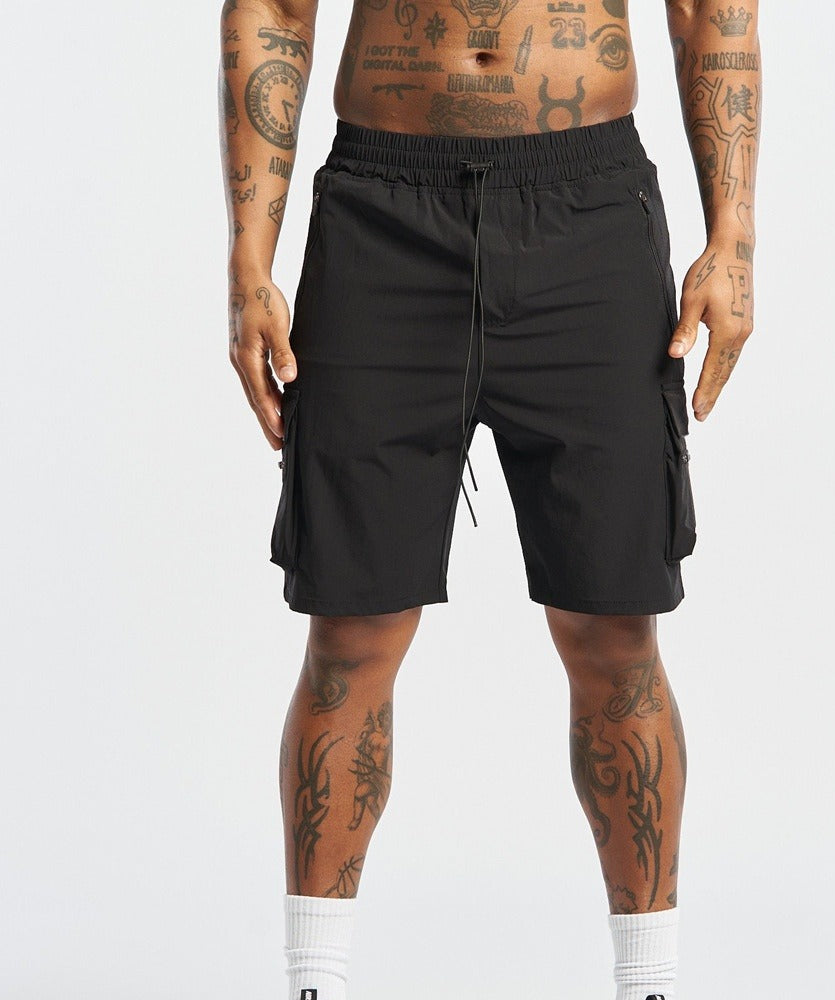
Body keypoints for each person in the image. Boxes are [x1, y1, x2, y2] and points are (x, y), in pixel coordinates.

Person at [218, 0, 760, 996]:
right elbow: (273, 9)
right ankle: (313, 981)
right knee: (350, 631)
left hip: (588, 209)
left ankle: (649, 982)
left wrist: (733, 235)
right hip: (381, 209)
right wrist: (249, 260)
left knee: (616, 629)